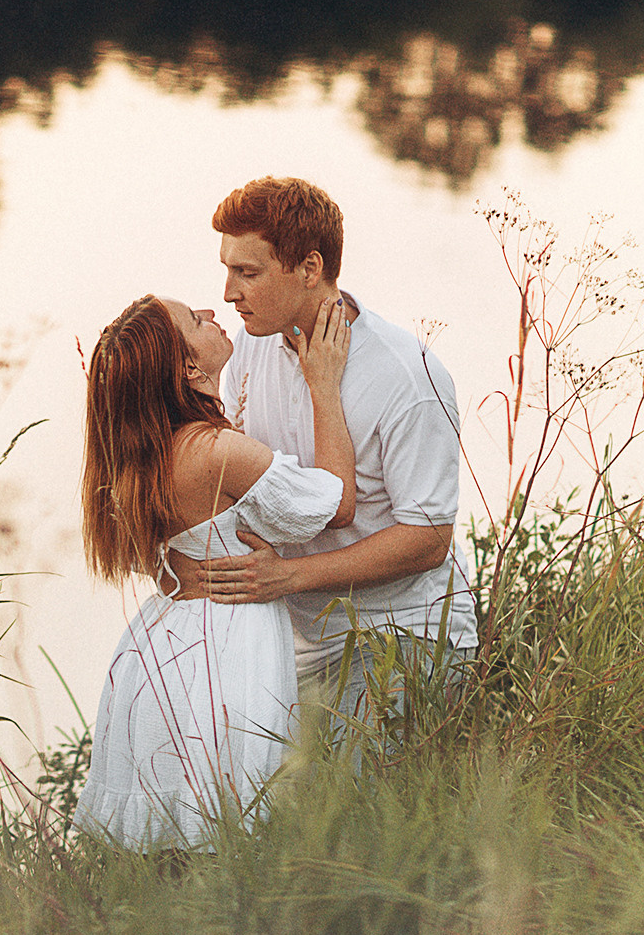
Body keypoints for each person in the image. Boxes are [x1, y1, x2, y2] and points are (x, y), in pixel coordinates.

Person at [193, 177, 478, 762]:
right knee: (228, 790)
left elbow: (428, 540)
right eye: (228, 270)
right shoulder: (250, 344)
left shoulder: (407, 376)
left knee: (347, 808)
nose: (228, 293)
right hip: (290, 638)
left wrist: (290, 578)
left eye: (248, 273)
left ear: (309, 267)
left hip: (402, 632)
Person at [71, 291, 357, 851]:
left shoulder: (140, 457)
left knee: (168, 841)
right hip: (223, 643)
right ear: (188, 367)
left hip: (157, 647)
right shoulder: (215, 450)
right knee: (229, 823)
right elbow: (336, 503)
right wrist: (323, 383)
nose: (209, 310)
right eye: (192, 320)